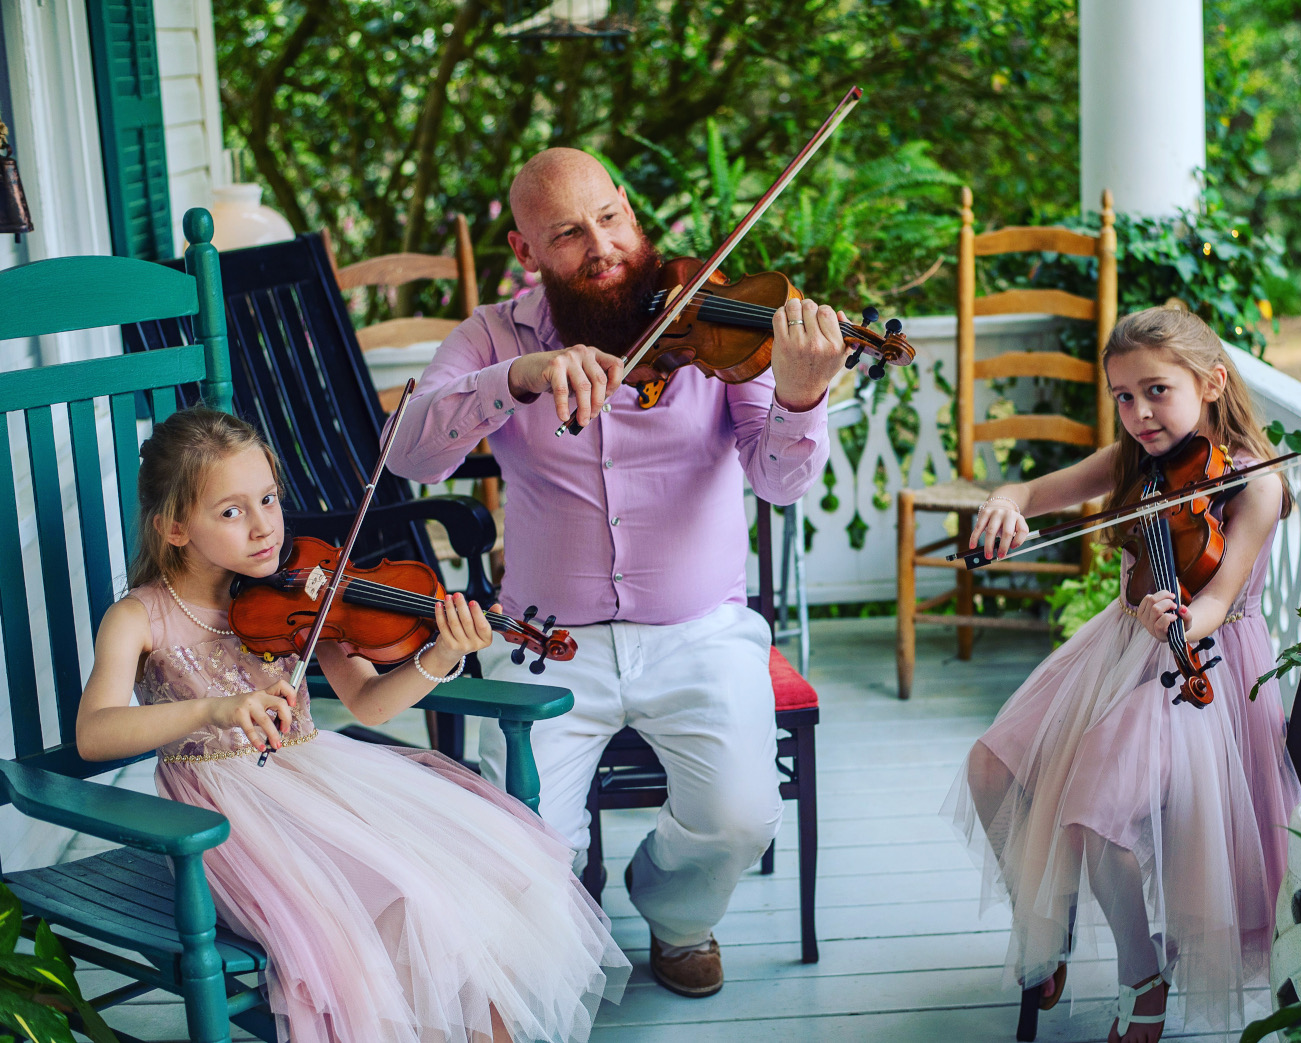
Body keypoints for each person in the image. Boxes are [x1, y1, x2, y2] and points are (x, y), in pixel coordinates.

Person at [383, 148, 848, 998]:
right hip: (544, 640)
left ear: (631, 212)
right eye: (566, 234)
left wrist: (802, 397)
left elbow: (780, 480)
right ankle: (567, 918)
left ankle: (674, 915)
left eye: (608, 217)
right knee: (522, 848)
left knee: (742, 812)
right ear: (526, 253)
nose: (599, 246)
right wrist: (515, 379)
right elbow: (409, 449)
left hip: (701, 631)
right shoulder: (495, 335)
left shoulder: (717, 323)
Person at [75, 407, 629, 1043]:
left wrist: (442, 654)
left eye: (269, 500)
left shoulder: (302, 593)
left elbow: (369, 704)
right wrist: (213, 709)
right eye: (231, 512)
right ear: (174, 526)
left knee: (480, 877)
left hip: (322, 777)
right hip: (224, 816)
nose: (264, 528)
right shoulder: (139, 617)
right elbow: (96, 733)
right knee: (407, 902)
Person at [946, 307, 1301, 1041]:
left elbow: (1218, 597)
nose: (1138, 413)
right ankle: (1046, 924)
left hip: (1203, 668)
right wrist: (1004, 504)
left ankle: (1143, 978)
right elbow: (1029, 493)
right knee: (990, 768)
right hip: (1116, 649)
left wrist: (1176, 621)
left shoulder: (1254, 484)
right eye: (1123, 396)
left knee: (1097, 808)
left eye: (1156, 391)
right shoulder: (1134, 464)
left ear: (1211, 382)